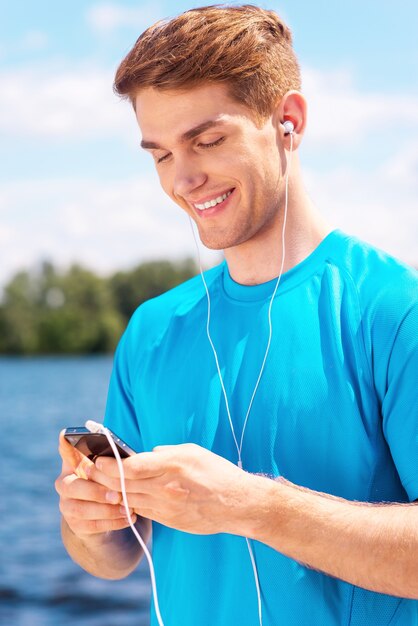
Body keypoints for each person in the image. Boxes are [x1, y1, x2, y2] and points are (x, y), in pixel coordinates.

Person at [55, 4, 418, 625]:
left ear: (288, 121)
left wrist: (253, 506)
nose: (184, 179)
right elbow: (114, 560)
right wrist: (92, 525)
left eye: (208, 140)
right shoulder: (151, 331)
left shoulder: (392, 311)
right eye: (160, 154)